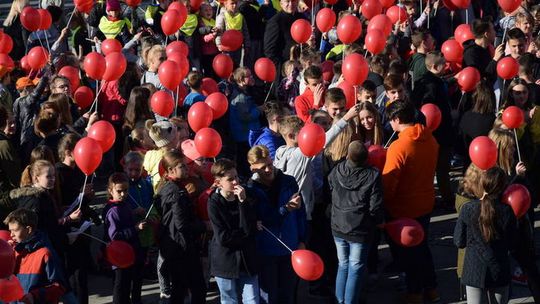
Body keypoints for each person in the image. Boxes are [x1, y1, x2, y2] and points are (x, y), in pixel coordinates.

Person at [382, 100, 439, 303]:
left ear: (397, 119)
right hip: (425, 203)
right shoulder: (430, 139)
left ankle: (414, 292)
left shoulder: (399, 146)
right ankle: (431, 288)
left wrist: (383, 203)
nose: (390, 124)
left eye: (391, 120)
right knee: (422, 248)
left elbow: (389, 183)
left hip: (403, 207)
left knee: (409, 254)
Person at [247, 145, 305, 304]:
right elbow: (266, 218)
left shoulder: (288, 181)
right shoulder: (251, 190)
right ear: (252, 169)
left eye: (270, 164)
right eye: (262, 167)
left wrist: (302, 240)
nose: (268, 169)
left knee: (288, 295)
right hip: (266, 250)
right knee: (269, 297)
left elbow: (301, 214)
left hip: (290, 247)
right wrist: (286, 209)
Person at [329, 140, 384, 304]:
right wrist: (375, 222)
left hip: (338, 226)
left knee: (343, 264)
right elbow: (376, 206)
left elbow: (330, 189)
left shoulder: (337, 170)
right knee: (355, 267)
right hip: (360, 229)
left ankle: (340, 300)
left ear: (347, 155)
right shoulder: (373, 175)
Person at [454, 167, 518, 304]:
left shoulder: (468, 209)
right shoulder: (507, 211)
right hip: (499, 269)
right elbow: (513, 244)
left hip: (473, 270)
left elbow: (459, 241)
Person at [154, 150, 206, 304]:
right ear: (171, 170)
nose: (186, 169)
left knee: (180, 287)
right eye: (182, 166)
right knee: (194, 287)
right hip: (181, 246)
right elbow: (181, 224)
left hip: (173, 245)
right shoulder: (176, 192)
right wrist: (203, 225)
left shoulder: (167, 188)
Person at [207, 159, 259, 304]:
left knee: (252, 299)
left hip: (247, 259)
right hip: (225, 261)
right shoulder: (214, 202)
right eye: (230, 179)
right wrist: (244, 233)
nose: (236, 182)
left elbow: (250, 228)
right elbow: (223, 237)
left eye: (236, 177)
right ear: (218, 183)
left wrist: (243, 203)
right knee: (229, 300)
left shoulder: (246, 195)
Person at [4, 208, 67, 303]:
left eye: (15, 230)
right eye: (10, 231)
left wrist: (34, 295)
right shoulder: (14, 252)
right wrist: (6, 256)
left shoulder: (44, 253)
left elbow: (59, 286)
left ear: (28, 229)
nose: (11, 235)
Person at [102, 172, 146, 304]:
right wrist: (136, 229)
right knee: (121, 288)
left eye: (125, 190)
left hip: (127, 253)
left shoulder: (123, 204)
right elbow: (115, 236)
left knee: (127, 286)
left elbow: (124, 218)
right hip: (119, 256)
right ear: (111, 190)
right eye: (119, 191)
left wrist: (134, 213)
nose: (123, 194)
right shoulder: (113, 210)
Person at [215, 0, 251, 66]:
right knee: (228, 65)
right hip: (226, 48)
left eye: (236, 3)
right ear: (225, 4)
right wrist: (219, 44)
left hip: (238, 47)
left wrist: (247, 45)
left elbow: (245, 31)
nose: (234, 6)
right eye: (232, 4)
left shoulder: (240, 16)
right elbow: (218, 31)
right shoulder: (222, 16)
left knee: (236, 65)